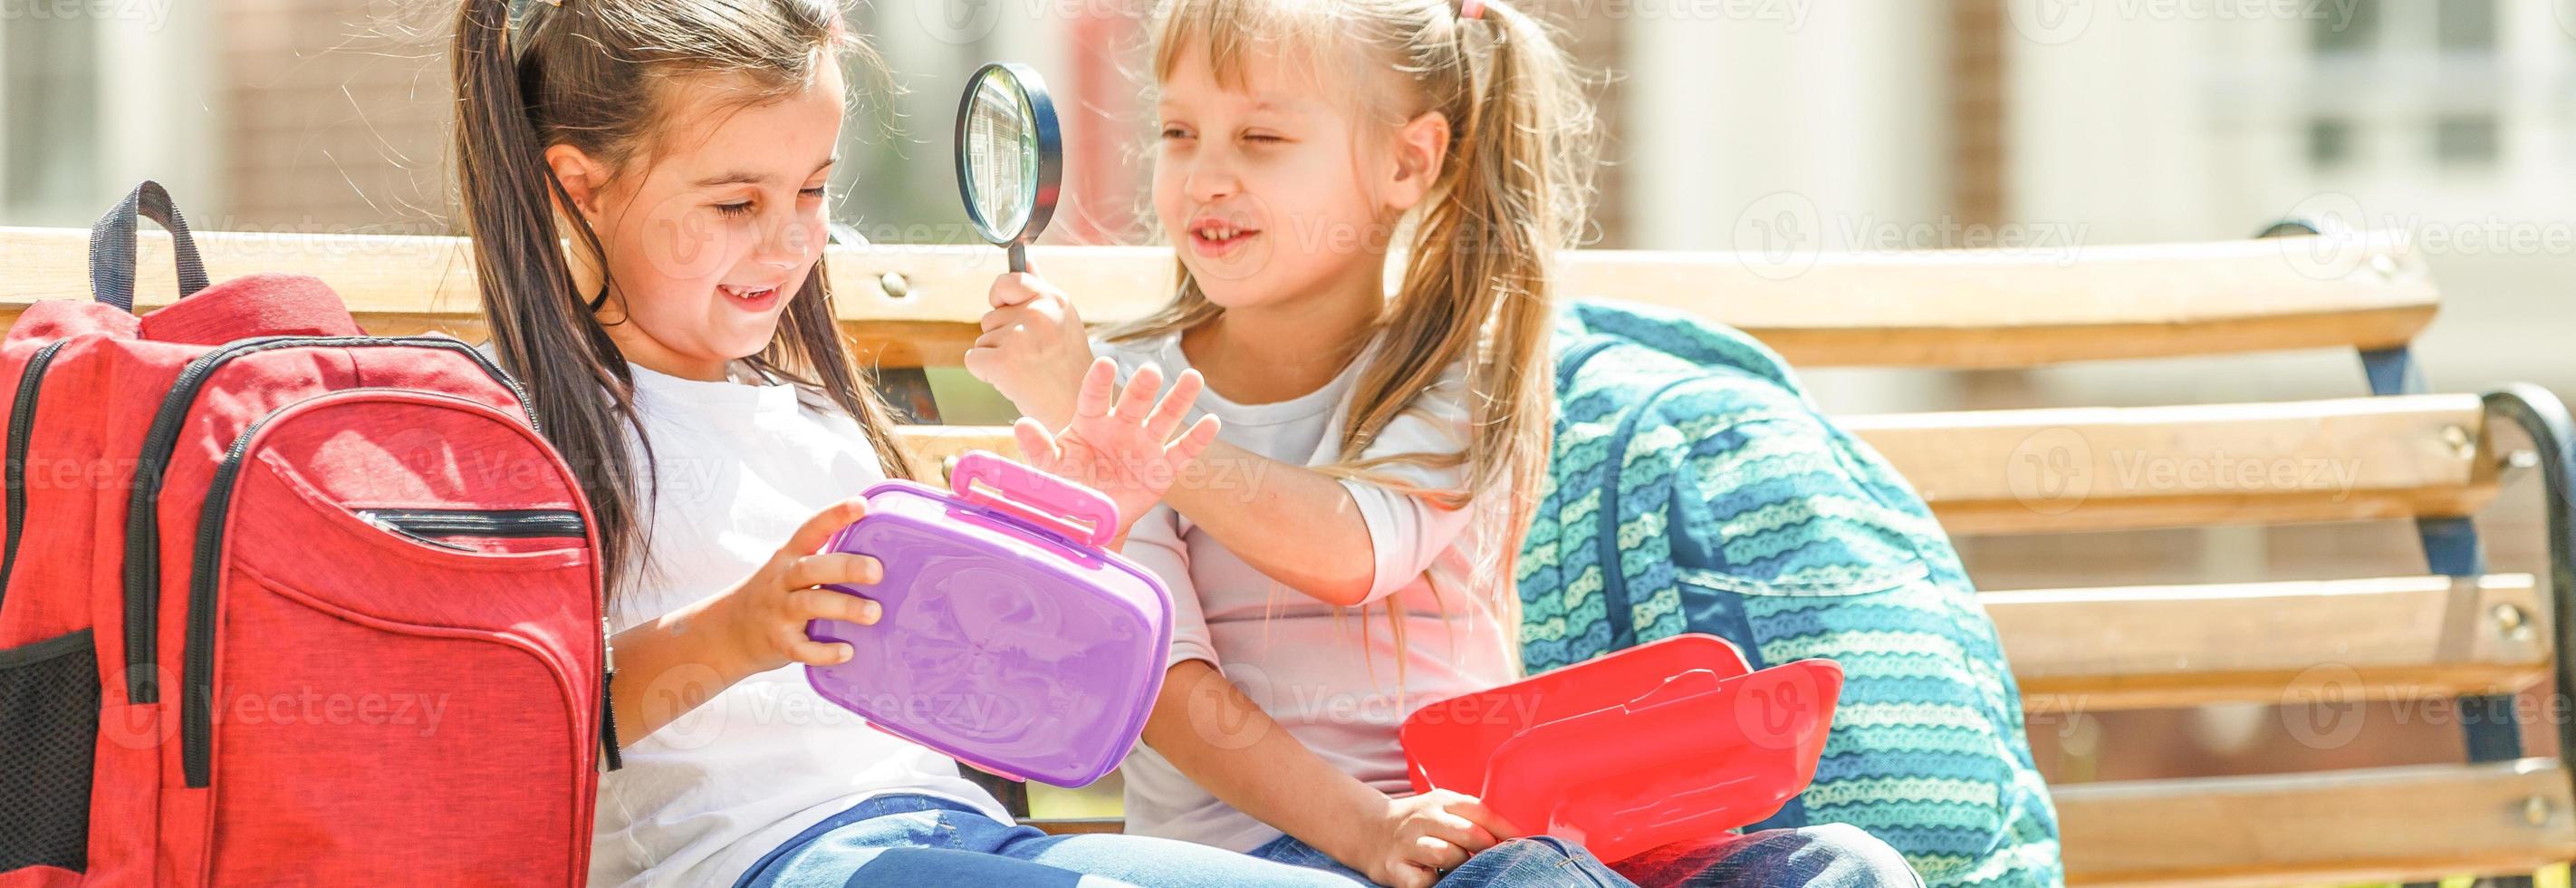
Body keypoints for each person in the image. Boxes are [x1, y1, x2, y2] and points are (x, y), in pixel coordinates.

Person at [966, 0, 1926, 884]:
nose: (1206, 176)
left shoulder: (1454, 370)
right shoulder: (1116, 381)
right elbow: (1164, 689)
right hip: (1275, 853)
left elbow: (1346, 550)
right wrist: (1368, 829)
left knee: (1845, 864)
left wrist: (1108, 415)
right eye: (1179, 133)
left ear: (1406, 163)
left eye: (1261, 137)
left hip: (1485, 829)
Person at [449, 1, 1367, 885]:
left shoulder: (817, 419)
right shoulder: (520, 424)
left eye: (812, 188)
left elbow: (975, 691)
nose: (789, 239)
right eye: (735, 203)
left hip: (944, 826)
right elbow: (516, 722)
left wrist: (1069, 553)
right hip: (759, 858)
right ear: (582, 187)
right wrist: (733, 634)